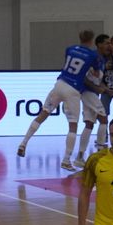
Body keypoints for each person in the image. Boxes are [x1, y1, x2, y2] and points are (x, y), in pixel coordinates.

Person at [17, 30, 98, 171]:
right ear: (92, 40)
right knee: (73, 126)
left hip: (60, 83)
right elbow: (96, 73)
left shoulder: (70, 49)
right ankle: (66, 160)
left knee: (42, 114)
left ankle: (24, 143)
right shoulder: (92, 55)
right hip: (73, 89)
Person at [74, 34, 113, 168]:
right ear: (98, 44)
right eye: (106, 43)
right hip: (87, 92)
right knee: (104, 119)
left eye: (110, 43)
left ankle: (79, 157)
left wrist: (107, 90)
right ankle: (101, 151)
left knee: (89, 124)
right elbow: (85, 79)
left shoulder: (102, 60)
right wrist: (97, 88)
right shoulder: (92, 58)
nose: (109, 45)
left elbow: (97, 81)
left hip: (91, 93)